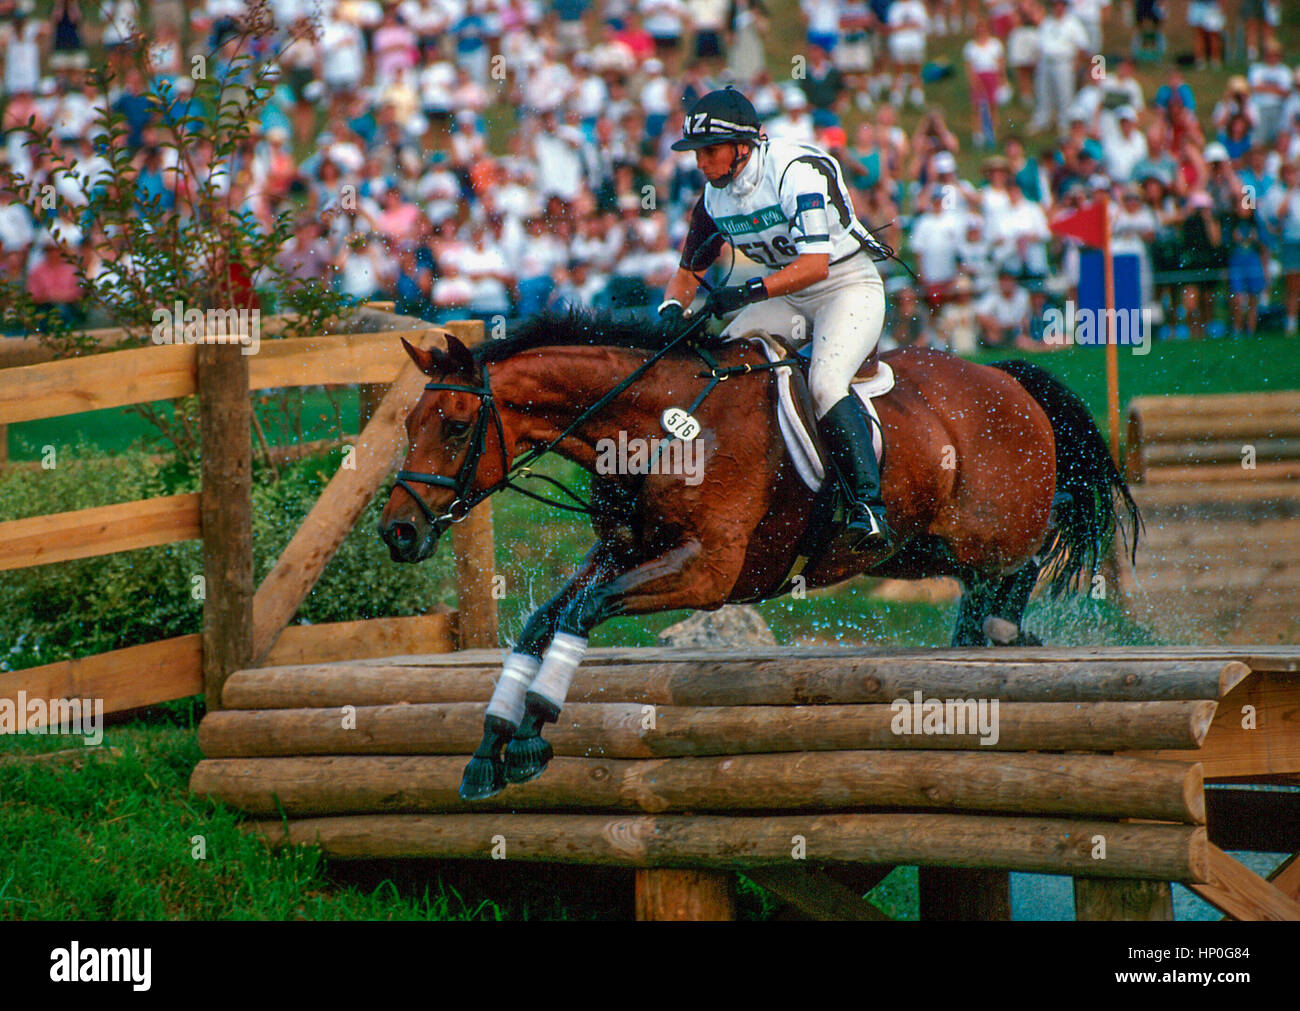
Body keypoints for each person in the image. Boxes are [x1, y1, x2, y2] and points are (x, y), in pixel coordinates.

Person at [658, 87, 894, 549]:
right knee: (716, 368)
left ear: (742, 147)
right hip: (786, 295)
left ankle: (869, 507)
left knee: (825, 382)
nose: (701, 163)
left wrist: (747, 292)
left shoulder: (795, 172)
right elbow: (689, 272)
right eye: (696, 154)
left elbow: (815, 266)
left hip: (846, 286)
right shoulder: (713, 198)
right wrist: (670, 310)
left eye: (710, 151)